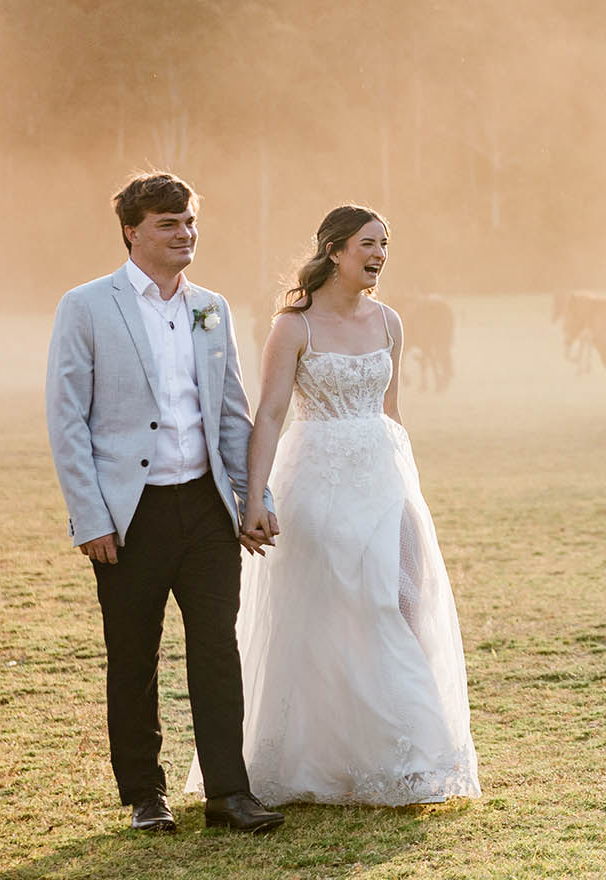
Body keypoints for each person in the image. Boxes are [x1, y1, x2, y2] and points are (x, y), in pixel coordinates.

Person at [188, 205, 480, 805]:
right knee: (334, 612)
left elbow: (392, 411)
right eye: (368, 244)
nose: (379, 255)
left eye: (385, 245)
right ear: (334, 250)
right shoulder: (293, 326)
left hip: (383, 475)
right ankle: (323, 759)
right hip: (316, 479)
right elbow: (268, 415)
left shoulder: (390, 321)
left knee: (399, 602)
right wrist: (254, 498)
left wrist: (407, 489)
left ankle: (409, 757)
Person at [45, 171, 285, 834]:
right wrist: (91, 516)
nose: (185, 235)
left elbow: (232, 412)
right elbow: (66, 420)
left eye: (190, 222)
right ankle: (145, 796)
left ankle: (228, 796)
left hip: (206, 512)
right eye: (168, 224)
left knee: (217, 650)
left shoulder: (211, 307)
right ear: (132, 230)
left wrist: (252, 496)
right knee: (133, 653)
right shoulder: (87, 306)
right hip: (130, 515)